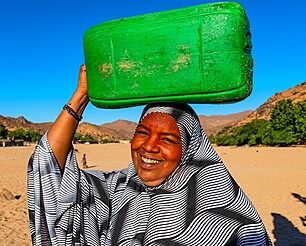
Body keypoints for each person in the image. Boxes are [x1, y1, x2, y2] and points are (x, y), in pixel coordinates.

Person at [27, 65, 272, 245]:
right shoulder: (118, 187)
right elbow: (48, 169)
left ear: (188, 149)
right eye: (142, 133)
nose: (149, 146)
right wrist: (80, 98)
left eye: (167, 139)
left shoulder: (224, 214)